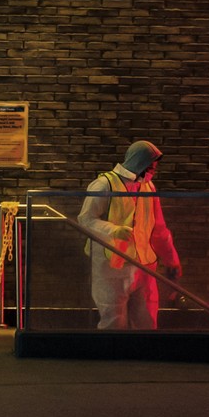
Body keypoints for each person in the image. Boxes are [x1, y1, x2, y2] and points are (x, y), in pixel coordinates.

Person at [78, 140, 182, 329]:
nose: (152, 171)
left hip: (144, 266)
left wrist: (171, 260)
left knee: (147, 320)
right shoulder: (104, 185)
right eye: (150, 167)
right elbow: (85, 219)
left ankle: (143, 357)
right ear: (138, 163)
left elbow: (158, 229)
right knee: (113, 320)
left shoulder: (148, 187)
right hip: (111, 266)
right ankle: (114, 356)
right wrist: (113, 230)